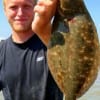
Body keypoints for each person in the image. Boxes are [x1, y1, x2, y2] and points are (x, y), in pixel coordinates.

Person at [0, 0, 63, 100]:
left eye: (26, 6)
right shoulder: (1, 51)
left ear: (36, 8)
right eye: (13, 7)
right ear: (5, 11)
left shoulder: (52, 43)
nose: (20, 13)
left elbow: (73, 68)